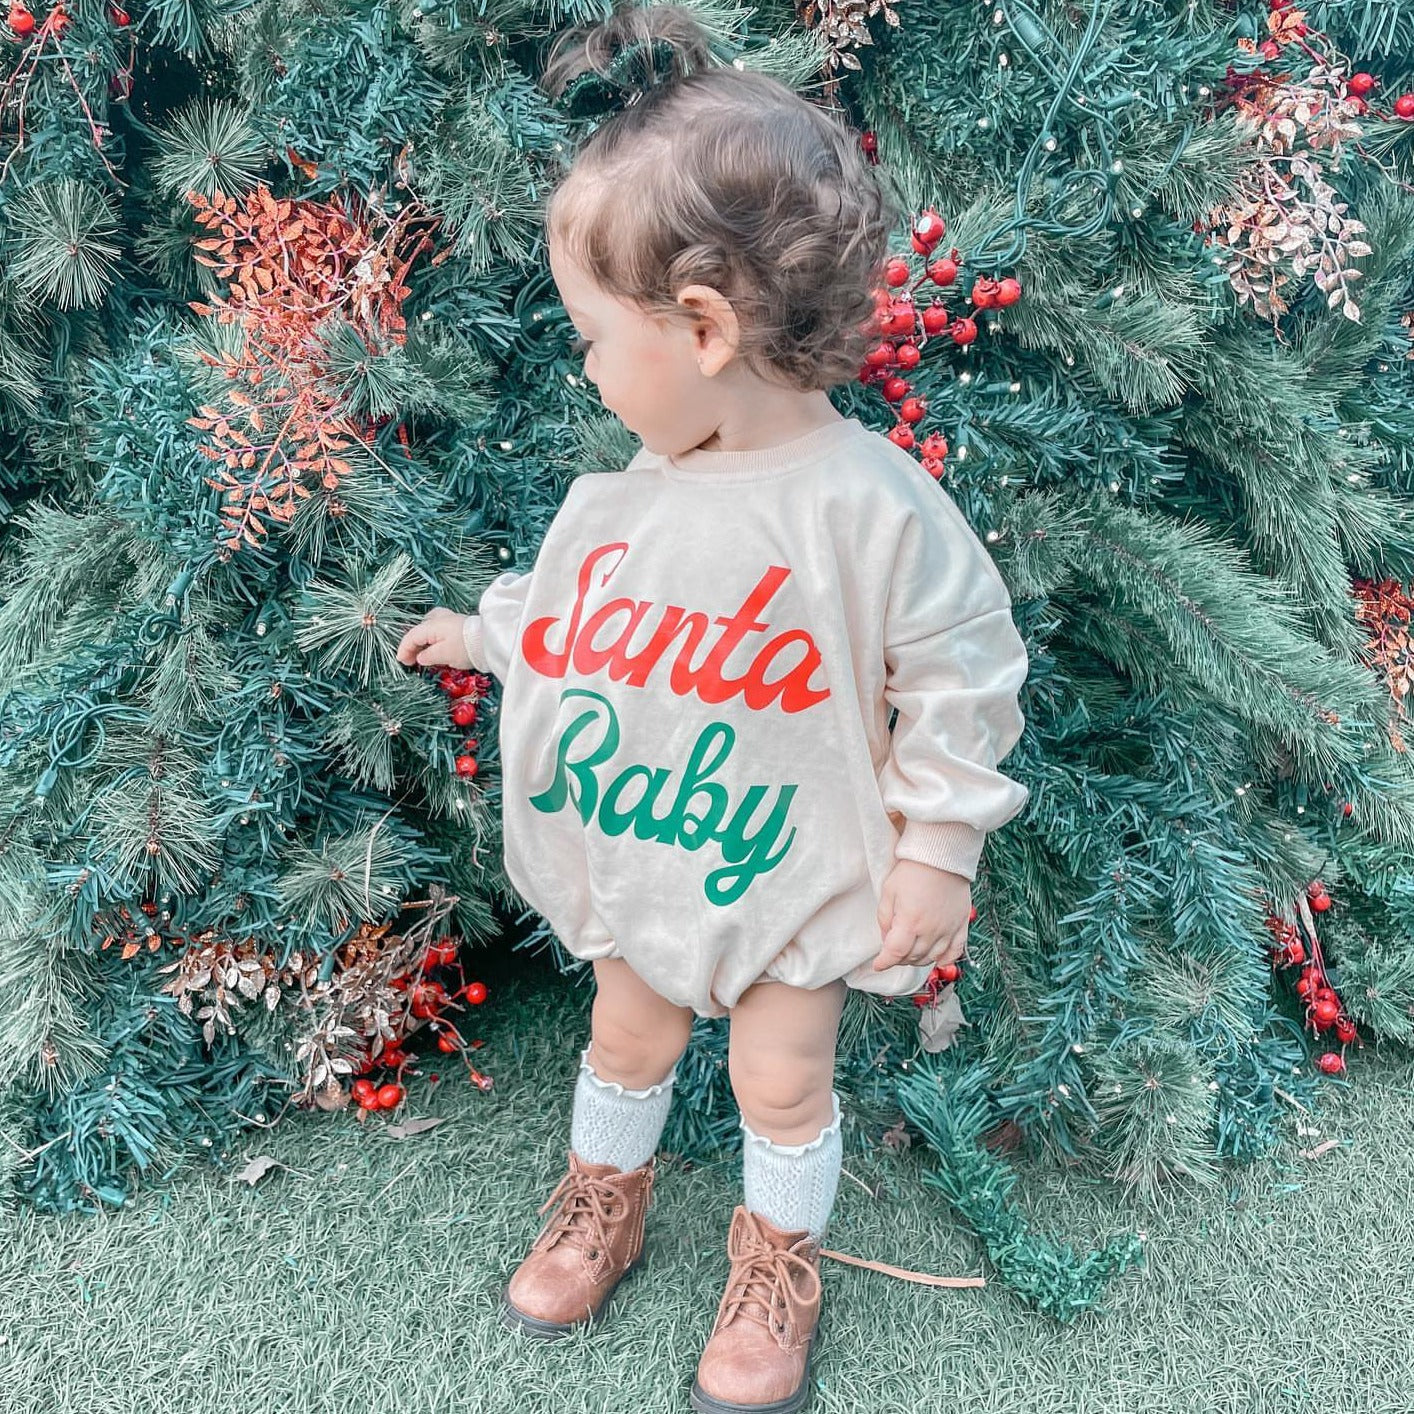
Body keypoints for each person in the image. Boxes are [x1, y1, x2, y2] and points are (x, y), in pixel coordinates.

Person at [396, 6, 1030, 1409]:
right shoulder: (634, 496)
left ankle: (777, 1260)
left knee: (780, 1081)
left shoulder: (872, 508)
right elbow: (580, 622)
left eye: (591, 335)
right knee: (623, 1036)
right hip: (649, 851)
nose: (583, 367)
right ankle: (601, 1201)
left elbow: (962, 673)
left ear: (700, 326)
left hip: (793, 869)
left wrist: (939, 846)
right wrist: (485, 633)